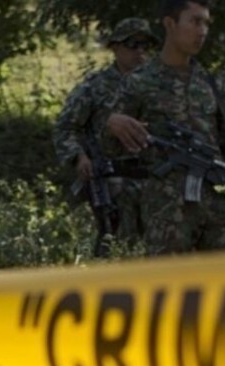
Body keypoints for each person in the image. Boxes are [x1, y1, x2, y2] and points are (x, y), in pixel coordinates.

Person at [105, 0, 225, 255]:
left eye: (206, 23)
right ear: (170, 24)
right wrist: (112, 124)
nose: (203, 31)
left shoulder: (211, 83)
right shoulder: (139, 82)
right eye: (195, 21)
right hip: (166, 210)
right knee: (170, 288)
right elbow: (108, 147)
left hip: (219, 199)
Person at [52, 18, 159, 253]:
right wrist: (78, 156)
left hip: (155, 179)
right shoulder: (94, 87)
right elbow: (66, 127)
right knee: (113, 244)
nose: (140, 52)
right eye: (133, 45)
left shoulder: (161, 85)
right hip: (112, 181)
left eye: (146, 46)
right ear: (116, 48)